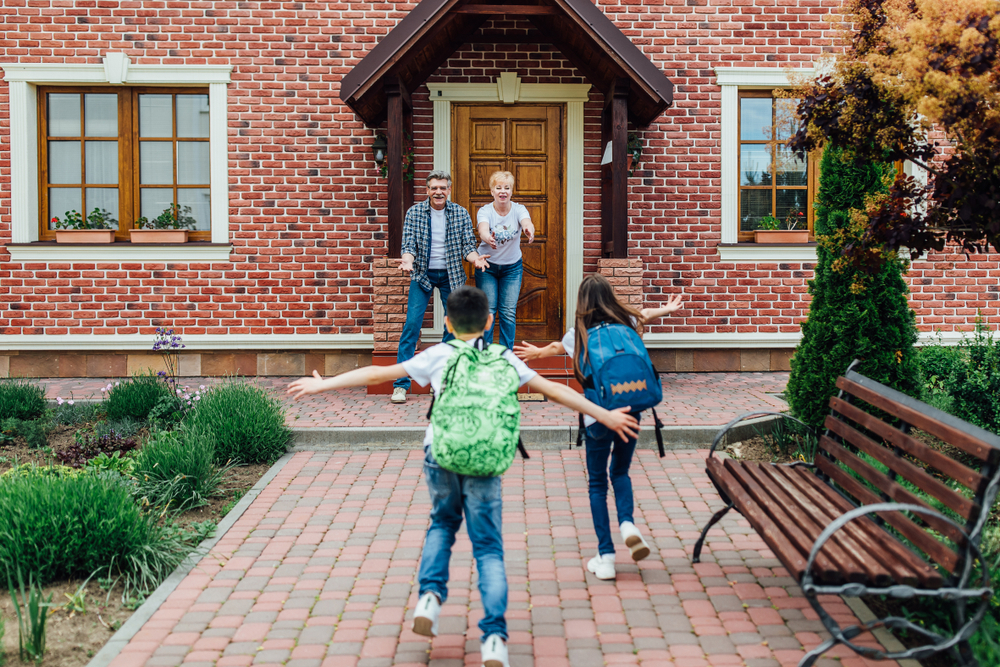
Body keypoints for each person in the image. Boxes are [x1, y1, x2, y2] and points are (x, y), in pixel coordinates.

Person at [288, 286, 639, 667]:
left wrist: (323, 384)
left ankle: (429, 598)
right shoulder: (506, 359)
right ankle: (493, 641)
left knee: (441, 524)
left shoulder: (438, 354)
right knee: (488, 548)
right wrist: (604, 415)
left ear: (449, 324)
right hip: (486, 460)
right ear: (490, 322)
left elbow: (382, 371)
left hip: (441, 454)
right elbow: (554, 390)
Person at [514, 276, 684, 580]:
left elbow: (555, 346)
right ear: (610, 297)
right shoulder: (626, 319)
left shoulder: (578, 333)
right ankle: (628, 524)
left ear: (582, 303)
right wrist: (667, 309)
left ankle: (605, 556)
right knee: (620, 472)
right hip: (632, 410)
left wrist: (537, 354)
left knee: (596, 483)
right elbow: (644, 314)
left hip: (598, 415)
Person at [393, 170, 491, 404]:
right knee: (412, 326)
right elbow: (408, 244)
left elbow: (467, 245)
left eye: (443, 188)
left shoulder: (460, 213)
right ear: (427, 190)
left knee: (454, 328)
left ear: (449, 190)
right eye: (434, 188)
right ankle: (400, 385)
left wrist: (475, 258)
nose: (438, 192)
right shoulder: (415, 212)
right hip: (422, 275)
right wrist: (407, 260)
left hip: (452, 276)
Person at [474, 171, 535, 350]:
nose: (503, 191)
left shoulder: (518, 209)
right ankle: (484, 354)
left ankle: (505, 354)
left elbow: (526, 222)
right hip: (488, 267)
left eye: (507, 188)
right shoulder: (485, 210)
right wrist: (488, 238)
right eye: (498, 187)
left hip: (512, 268)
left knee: (508, 313)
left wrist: (528, 230)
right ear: (492, 191)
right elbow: (483, 229)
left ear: (511, 191)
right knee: (488, 312)